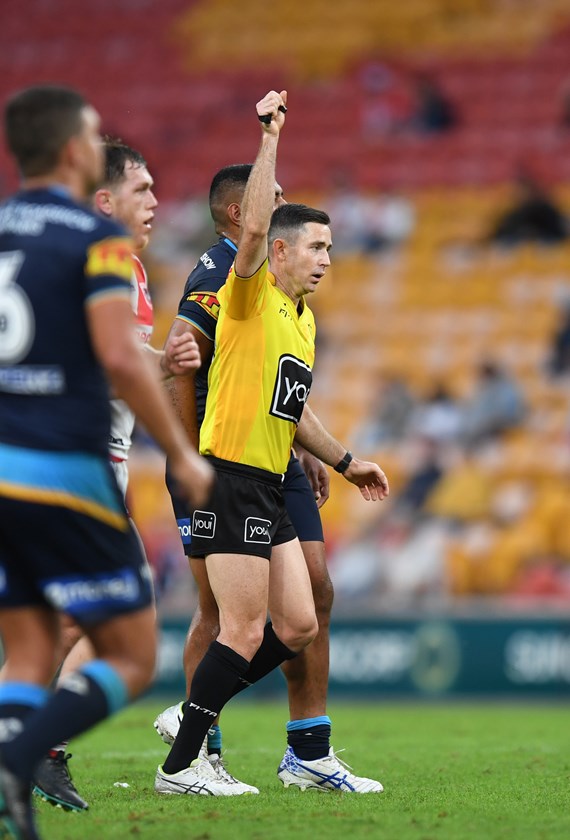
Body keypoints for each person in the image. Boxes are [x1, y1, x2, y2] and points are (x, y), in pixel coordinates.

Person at [153, 89, 389, 798]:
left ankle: (199, 714)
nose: (327, 259)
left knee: (300, 619)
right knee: (240, 626)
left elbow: (291, 406)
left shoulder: (301, 317)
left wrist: (344, 461)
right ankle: (183, 764)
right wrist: (270, 137)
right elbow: (251, 230)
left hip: (270, 474)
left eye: (330, 248)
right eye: (317, 247)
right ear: (278, 249)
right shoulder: (245, 288)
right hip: (229, 473)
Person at [0, 85, 212, 840]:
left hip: (8, 464)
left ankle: (19, 770)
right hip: (70, 464)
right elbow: (117, 359)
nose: (153, 199)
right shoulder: (97, 242)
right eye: (94, 137)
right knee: (131, 651)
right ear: (72, 153)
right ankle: (21, 755)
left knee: (36, 641)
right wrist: (181, 451)